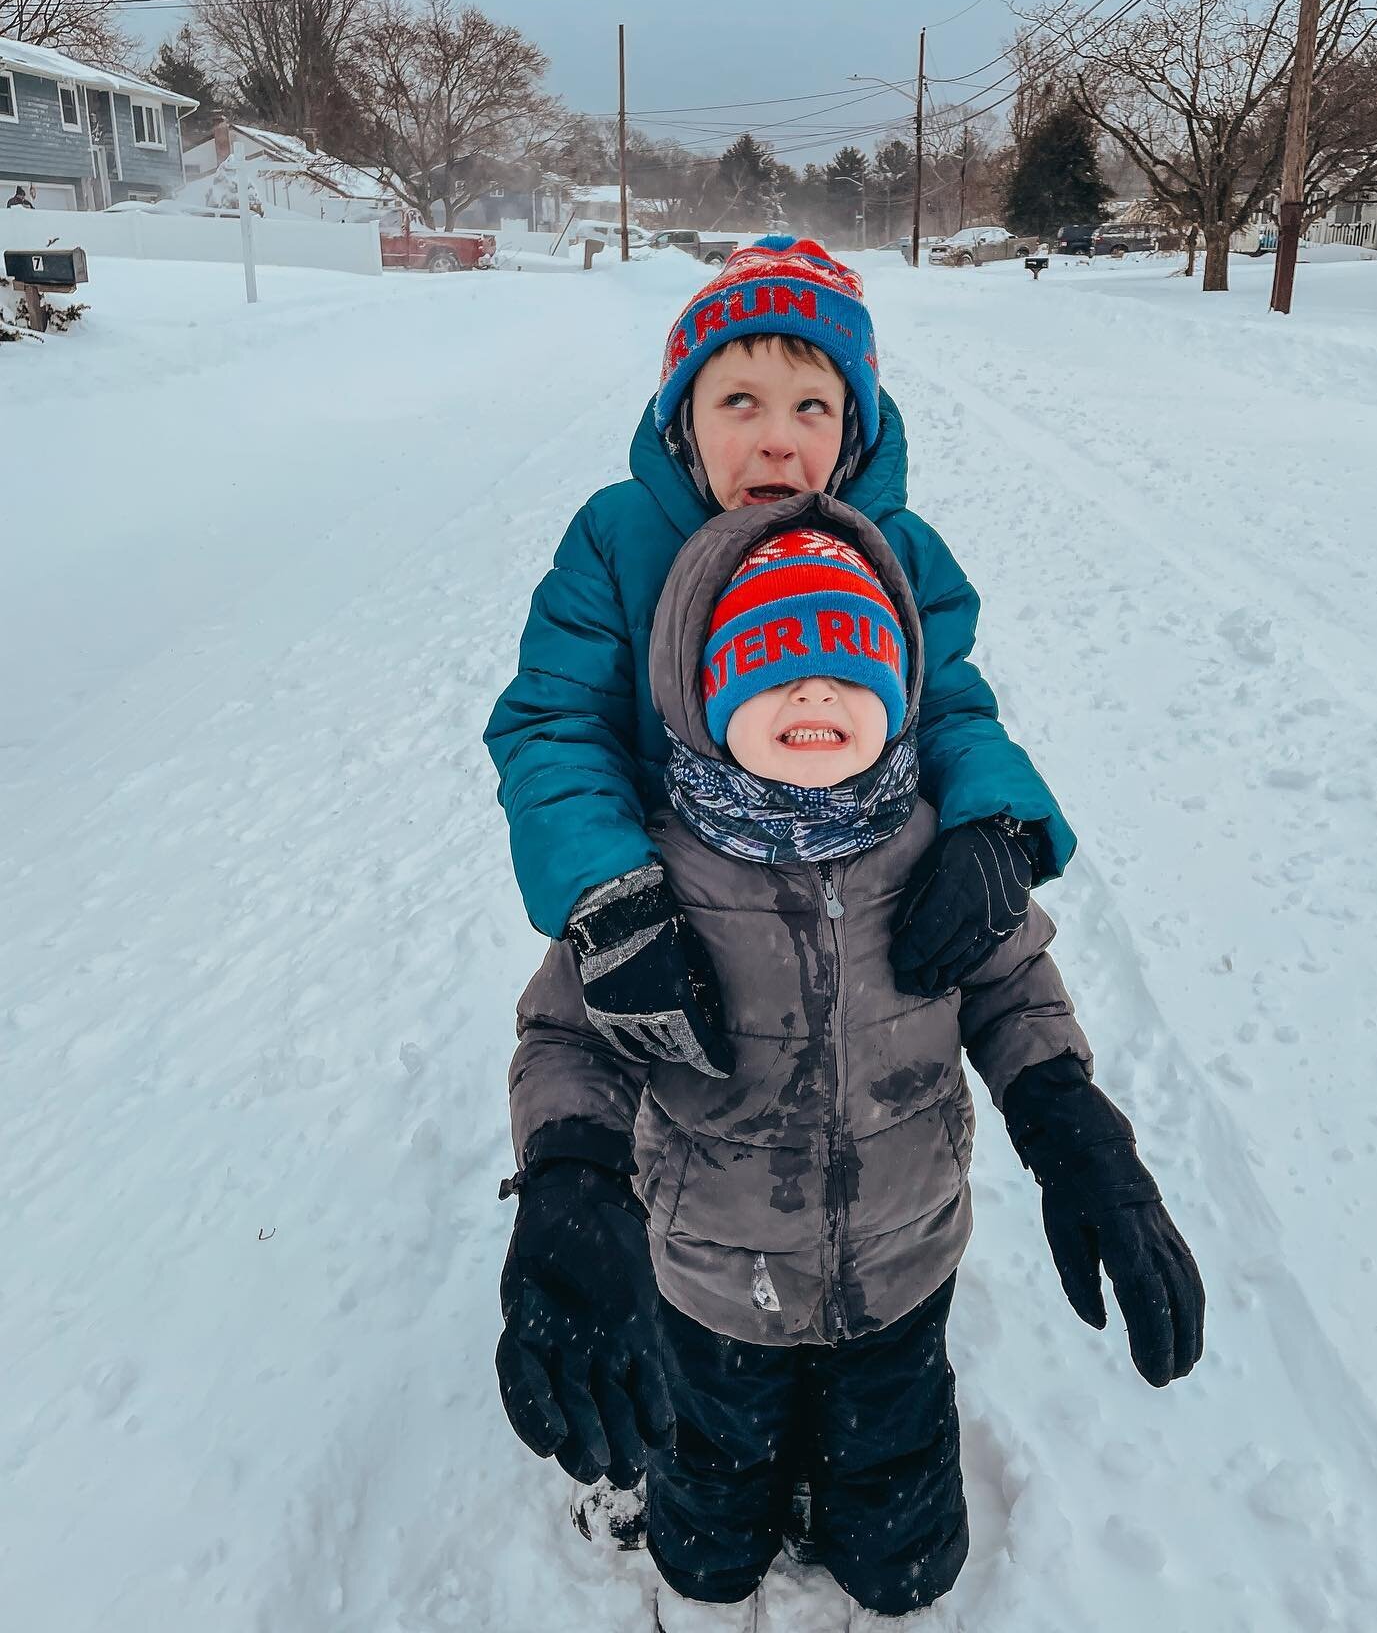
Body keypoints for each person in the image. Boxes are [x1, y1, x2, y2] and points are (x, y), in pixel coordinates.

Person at [497, 496, 1206, 1630]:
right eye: (775, 667)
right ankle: (714, 1532)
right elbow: (568, 1036)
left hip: (902, 1264)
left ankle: (881, 1527)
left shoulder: (943, 851)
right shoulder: (654, 883)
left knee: (901, 1529)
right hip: (713, 1281)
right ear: (708, 694)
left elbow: (1016, 987)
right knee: (714, 1507)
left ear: (903, 697)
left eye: (852, 667)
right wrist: (573, 1178)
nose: (817, 693)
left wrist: (1078, 1133)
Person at [485, 236, 1077, 1089]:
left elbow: (946, 706)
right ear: (683, 416)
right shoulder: (619, 539)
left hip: (868, 939)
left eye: (811, 407)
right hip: (689, 937)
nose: (776, 440)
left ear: (852, 427)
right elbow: (556, 721)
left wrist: (997, 823)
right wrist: (606, 893)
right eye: (738, 402)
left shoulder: (896, 554)